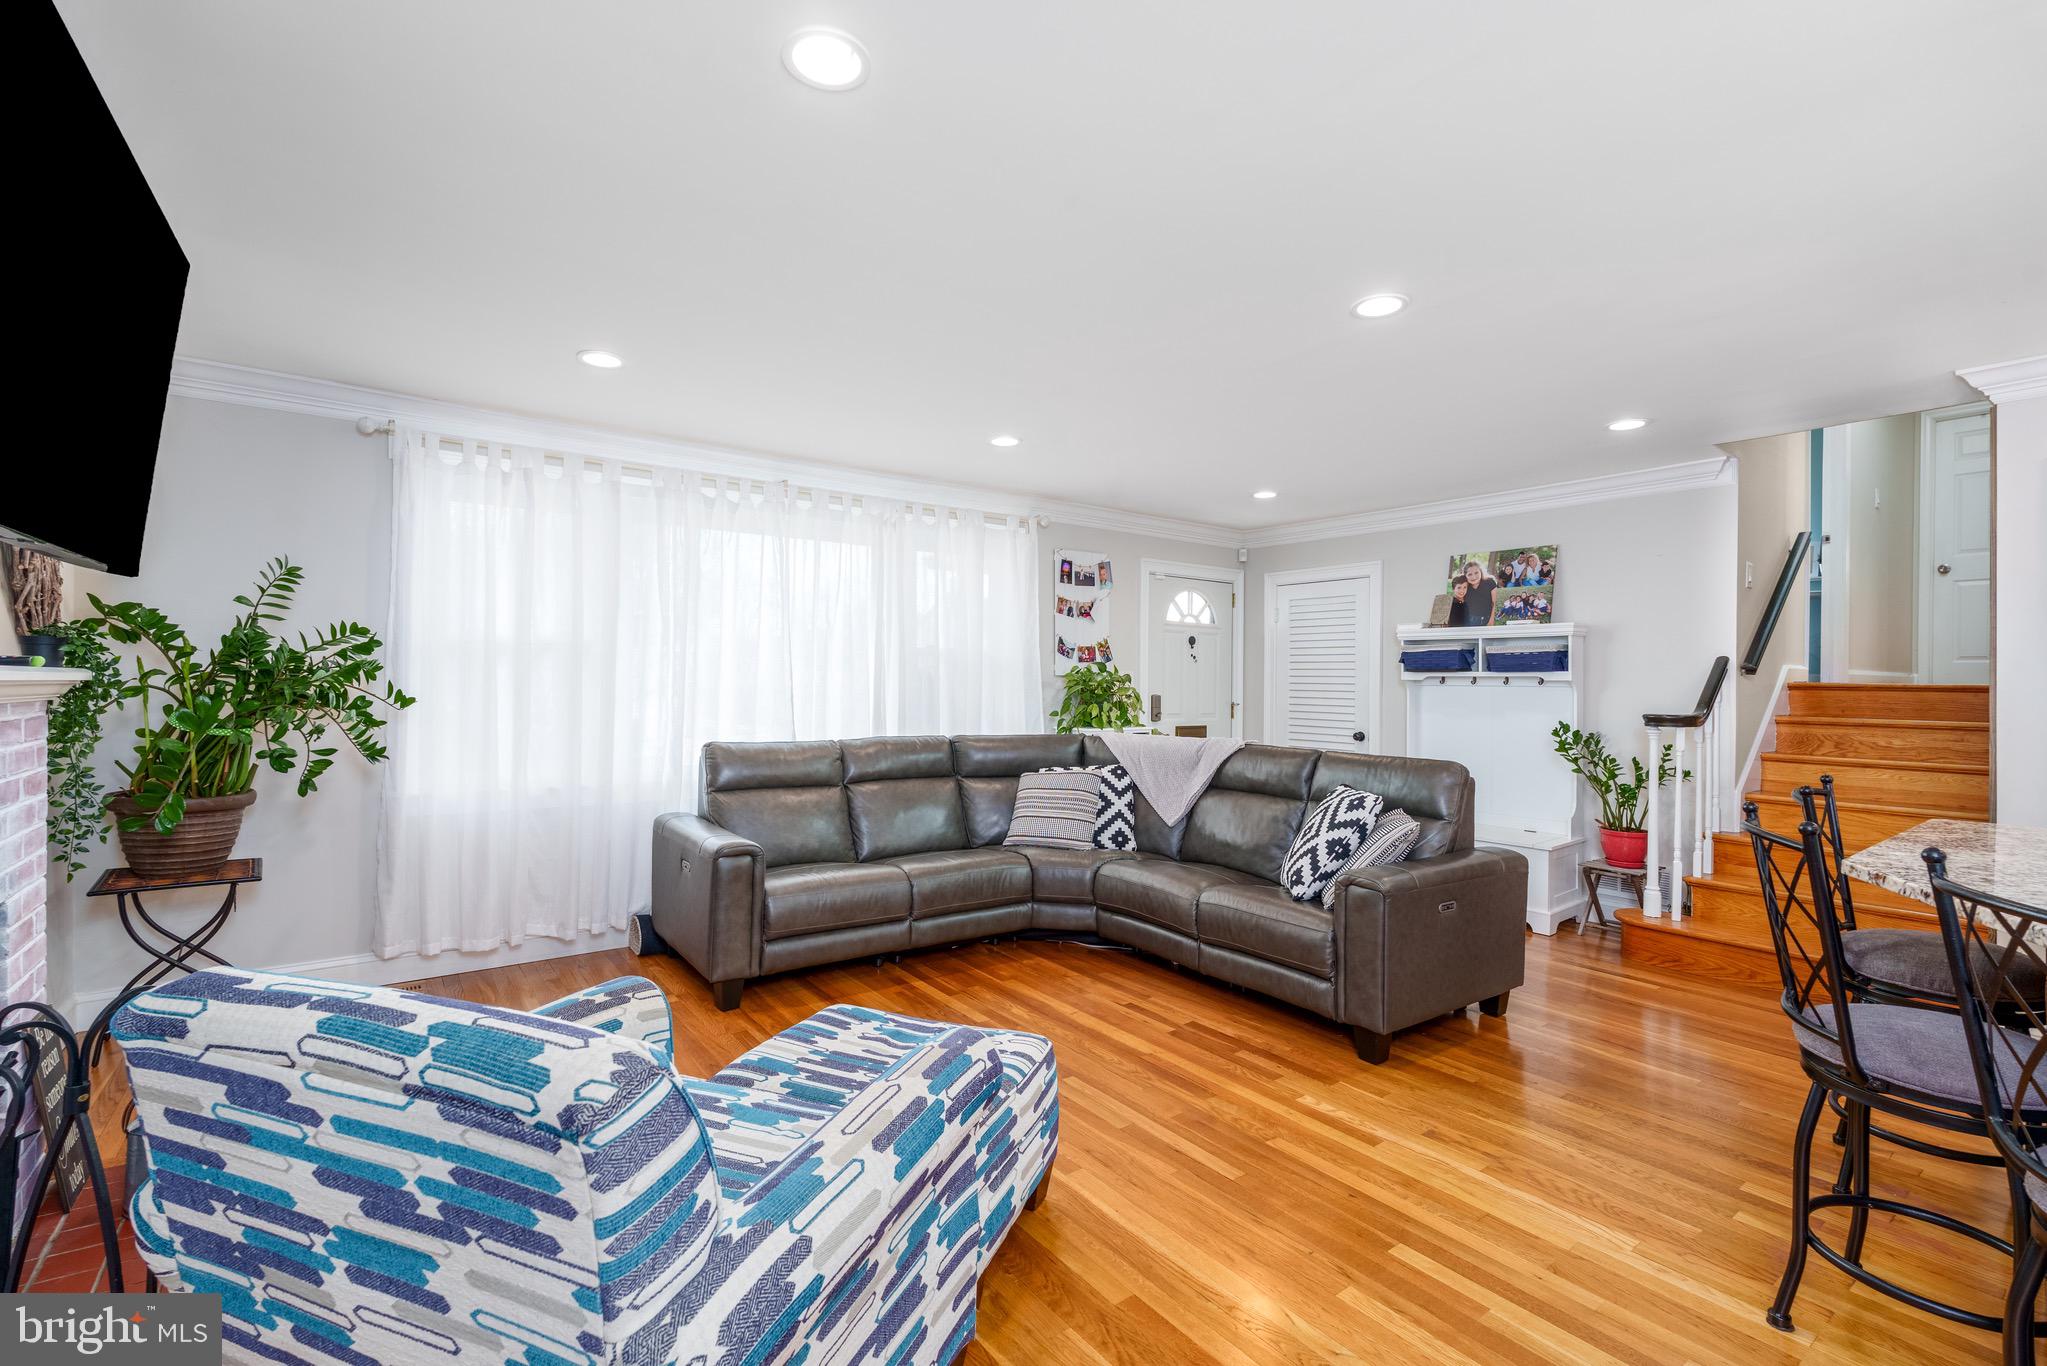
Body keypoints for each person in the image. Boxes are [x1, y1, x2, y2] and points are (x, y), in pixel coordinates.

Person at [1447, 559, 1495, 625]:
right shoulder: (1466, 586)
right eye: (1470, 574)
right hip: (1470, 620)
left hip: (1487, 618)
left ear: (1481, 572)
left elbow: (1494, 602)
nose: (1474, 577)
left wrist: (1491, 619)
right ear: (1465, 575)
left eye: (1476, 573)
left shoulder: (1490, 582)